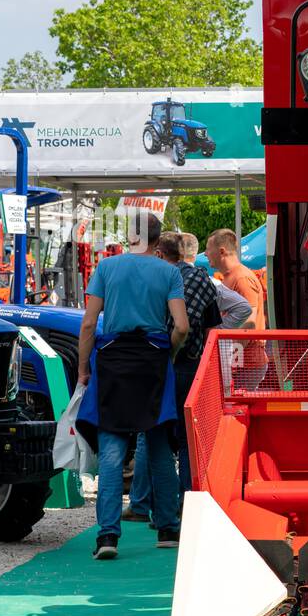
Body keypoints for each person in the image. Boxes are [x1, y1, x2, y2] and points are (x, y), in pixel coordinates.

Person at [76, 213, 188, 560]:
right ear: (157, 240)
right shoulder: (169, 272)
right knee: (157, 447)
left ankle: (108, 536)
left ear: (129, 237)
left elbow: (89, 323)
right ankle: (168, 528)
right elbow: (181, 326)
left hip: (112, 363)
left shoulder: (107, 269)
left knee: (111, 452)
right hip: (153, 361)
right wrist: (167, 354)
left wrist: (83, 368)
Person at [125, 233, 220, 515]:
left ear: (158, 254)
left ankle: (143, 503)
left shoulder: (150, 280)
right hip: (190, 368)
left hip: (156, 363)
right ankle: (187, 502)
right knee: (188, 437)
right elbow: (212, 325)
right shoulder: (202, 279)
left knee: (152, 435)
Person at [206, 228, 265, 329]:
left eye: (208, 249)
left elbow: (249, 324)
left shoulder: (242, 278)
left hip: (244, 345)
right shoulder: (230, 276)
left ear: (221, 252)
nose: (205, 253)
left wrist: (233, 345)